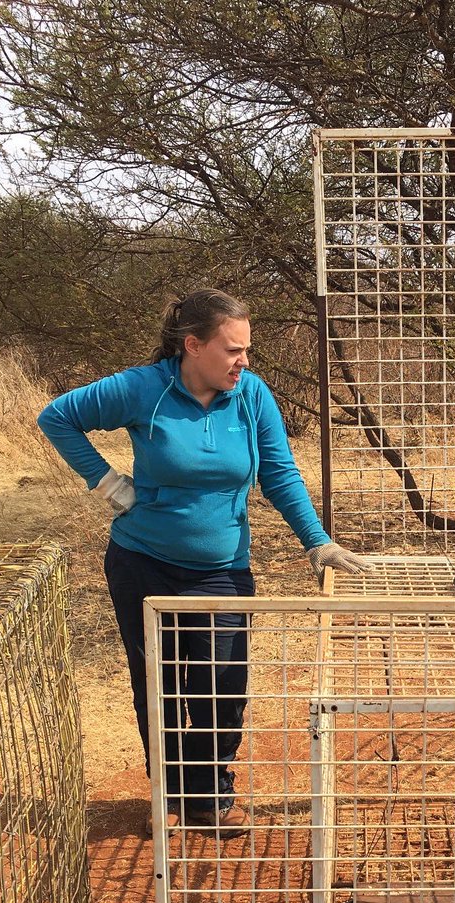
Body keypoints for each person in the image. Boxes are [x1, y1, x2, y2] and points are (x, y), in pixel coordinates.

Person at [38, 288, 368, 838]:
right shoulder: (143, 388)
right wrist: (107, 482)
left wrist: (317, 542)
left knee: (222, 685)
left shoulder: (252, 395)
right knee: (159, 685)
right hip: (143, 565)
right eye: (233, 350)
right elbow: (58, 417)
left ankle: (209, 792)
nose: (244, 361)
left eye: (246, 349)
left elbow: (279, 474)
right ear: (193, 346)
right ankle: (168, 793)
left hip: (222, 570)